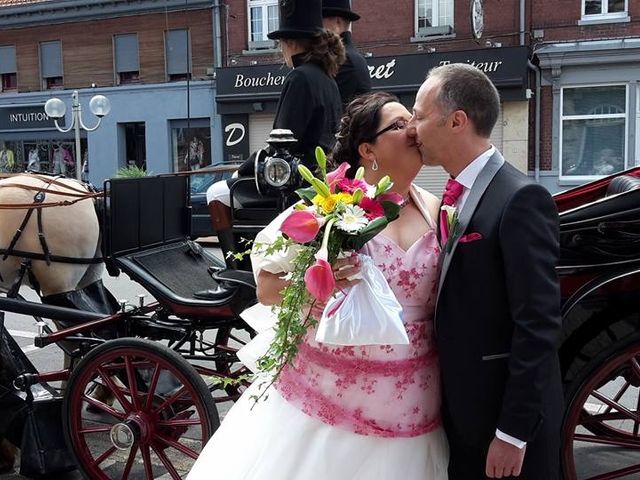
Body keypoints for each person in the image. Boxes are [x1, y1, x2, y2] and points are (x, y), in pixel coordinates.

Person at [188, 92, 449, 480]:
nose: (412, 129)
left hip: (414, 399)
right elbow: (266, 287)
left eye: (412, 119)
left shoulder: (437, 209)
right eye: (398, 125)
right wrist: (314, 286)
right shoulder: (330, 205)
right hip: (330, 397)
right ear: (367, 149)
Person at [407, 63, 563, 479]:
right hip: (461, 416)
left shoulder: (521, 198)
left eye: (420, 116)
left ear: (457, 121)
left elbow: (539, 324)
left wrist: (513, 433)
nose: (412, 129)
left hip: (502, 422)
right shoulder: (451, 195)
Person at [206, 0, 344, 261]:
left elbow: (281, 143)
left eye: (281, 44)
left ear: (290, 43)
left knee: (216, 193)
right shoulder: (327, 79)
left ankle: (236, 265)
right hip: (315, 179)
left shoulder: (300, 76)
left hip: (292, 182)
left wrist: (242, 169)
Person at [322, 0, 371, 106]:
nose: (315, 29)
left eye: (320, 22)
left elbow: (331, 111)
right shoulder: (349, 56)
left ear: (338, 22)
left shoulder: (343, 59)